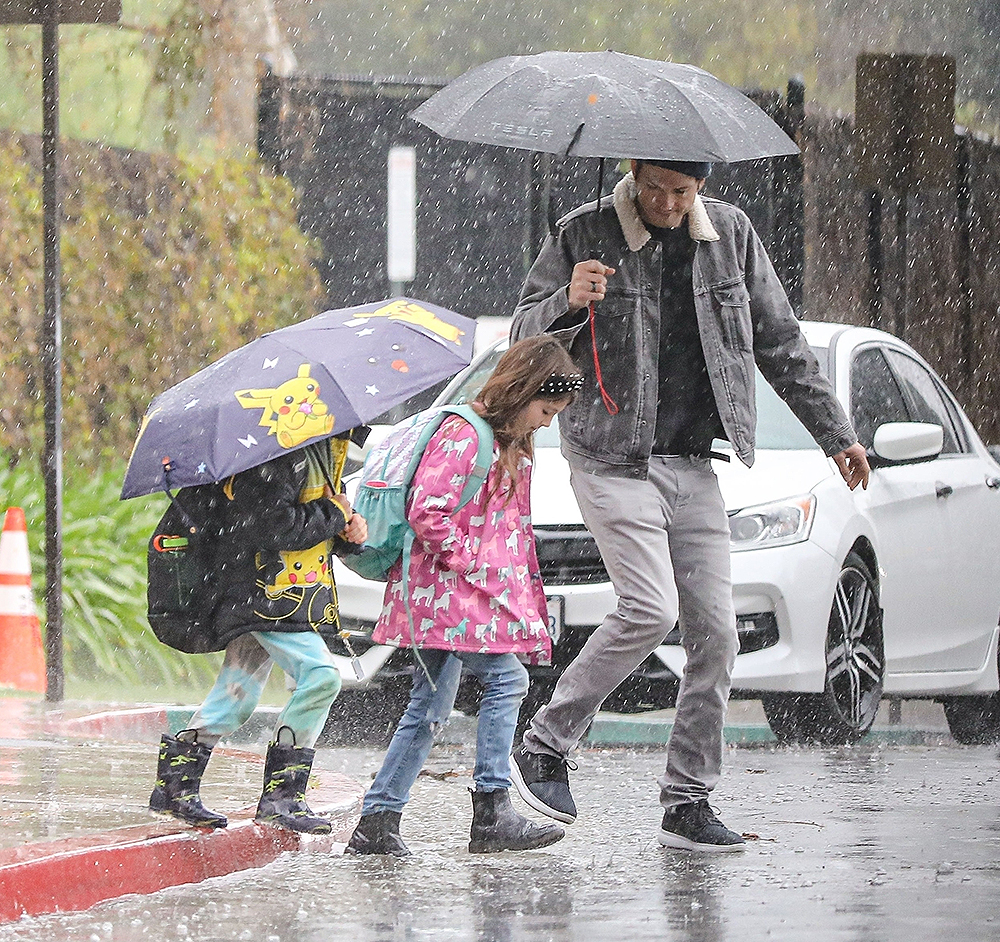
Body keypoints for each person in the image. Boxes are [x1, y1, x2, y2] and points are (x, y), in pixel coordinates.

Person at [509, 158, 871, 852]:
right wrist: (566, 302)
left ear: (700, 187)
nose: (668, 203)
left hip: (692, 459)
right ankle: (546, 745)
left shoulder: (730, 236)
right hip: (609, 454)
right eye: (655, 190)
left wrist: (836, 434)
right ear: (634, 173)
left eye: (682, 192)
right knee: (650, 608)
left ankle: (688, 801)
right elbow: (520, 338)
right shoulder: (582, 234)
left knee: (717, 634)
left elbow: (781, 343)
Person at [345, 335, 583, 856]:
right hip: (450, 595)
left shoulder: (503, 443)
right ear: (521, 392)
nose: (546, 422)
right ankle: (492, 807)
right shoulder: (466, 434)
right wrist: (479, 566)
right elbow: (427, 511)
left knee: (428, 708)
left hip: (445, 597)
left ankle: (378, 821)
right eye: (545, 409)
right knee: (507, 680)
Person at [148, 430, 368, 834]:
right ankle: (282, 799)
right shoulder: (274, 450)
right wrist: (335, 514)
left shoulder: (319, 448)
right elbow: (274, 527)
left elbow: (306, 524)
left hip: (283, 595)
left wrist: (347, 531)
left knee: (237, 696)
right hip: (262, 593)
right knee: (320, 677)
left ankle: (174, 789)